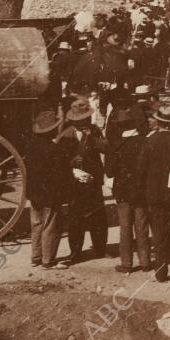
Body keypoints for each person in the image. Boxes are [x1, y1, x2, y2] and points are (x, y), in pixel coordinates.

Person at [57, 98, 107, 265]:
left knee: (98, 216)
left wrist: (93, 138)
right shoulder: (66, 135)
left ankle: (100, 249)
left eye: (86, 119)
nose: (84, 122)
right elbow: (61, 160)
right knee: (76, 219)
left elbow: (105, 148)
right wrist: (73, 171)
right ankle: (76, 252)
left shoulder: (94, 131)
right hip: (75, 182)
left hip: (93, 180)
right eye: (80, 120)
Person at [104, 104, 150, 274]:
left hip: (123, 190)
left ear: (119, 126)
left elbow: (109, 171)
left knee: (125, 226)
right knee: (142, 225)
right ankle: (145, 261)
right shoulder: (145, 142)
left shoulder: (116, 146)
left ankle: (127, 263)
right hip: (141, 190)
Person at [26, 109, 67, 270]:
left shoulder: (31, 147)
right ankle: (48, 260)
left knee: (36, 223)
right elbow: (61, 173)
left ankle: (35, 257)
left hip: (34, 193)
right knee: (50, 225)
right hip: (50, 193)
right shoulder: (54, 149)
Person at [143, 105, 170, 281]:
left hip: (156, 192)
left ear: (158, 122)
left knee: (159, 230)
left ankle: (161, 270)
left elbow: (141, 169)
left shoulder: (150, 141)